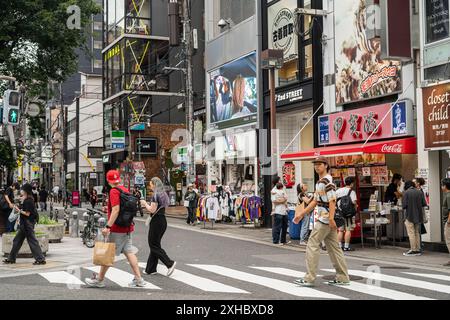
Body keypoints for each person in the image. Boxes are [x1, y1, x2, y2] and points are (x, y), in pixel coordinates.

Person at [293, 156, 350, 287]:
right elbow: (315, 201)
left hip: (325, 219)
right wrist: (301, 214)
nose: (317, 166)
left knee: (312, 245)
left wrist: (330, 218)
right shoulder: (322, 181)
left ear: (326, 165)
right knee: (334, 249)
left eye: (319, 164)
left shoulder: (325, 181)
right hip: (327, 219)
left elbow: (332, 200)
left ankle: (309, 278)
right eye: (315, 164)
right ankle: (342, 277)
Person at [85, 170, 146, 288]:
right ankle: (139, 279)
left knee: (108, 254)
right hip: (128, 226)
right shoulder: (124, 189)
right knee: (129, 252)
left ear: (108, 180)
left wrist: (108, 226)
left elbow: (116, 210)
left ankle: (99, 279)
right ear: (118, 179)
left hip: (117, 228)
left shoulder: (113, 191)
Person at [140, 177, 177, 276]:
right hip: (162, 221)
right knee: (155, 245)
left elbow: (152, 210)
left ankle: (169, 263)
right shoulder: (164, 194)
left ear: (154, 184)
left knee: (153, 245)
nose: (150, 186)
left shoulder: (155, 195)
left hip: (156, 221)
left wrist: (144, 204)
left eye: (151, 184)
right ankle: (150, 269)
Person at [3, 184, 46, 265]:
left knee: (32, 241)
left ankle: (40, 259)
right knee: (17, 241)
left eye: (22, 189)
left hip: (27, 224)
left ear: (26, 191)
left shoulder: (28, 201)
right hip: (25, 224)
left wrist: (18, 210)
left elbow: (27, 214)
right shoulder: (27, 199)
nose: (21, 191)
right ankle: (11, 258)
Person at [402, 181, 427, 257]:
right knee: (417, 233)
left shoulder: (406, 193)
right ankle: (418, 249)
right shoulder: (419, 192)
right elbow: (424, 204)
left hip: (409, 216)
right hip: (419, 216)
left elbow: (404, 206)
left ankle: (413, 250)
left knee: (411, 233)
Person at [337, 177, 358, 252]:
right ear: (352, 183)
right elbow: (354, 202)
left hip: (340, 212)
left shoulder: (339, 190)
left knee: (340, 230)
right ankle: (346, 246)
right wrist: (355, 209)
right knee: (348, 230)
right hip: (349, 213)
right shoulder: (352, 192)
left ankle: (339, 246)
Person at [441, 178, 450, 267]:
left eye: (442, 185)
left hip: (448, 223)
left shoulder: (448, 196)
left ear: (445, 186)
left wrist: (448, 222)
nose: (441, 187)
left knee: (448, 241)